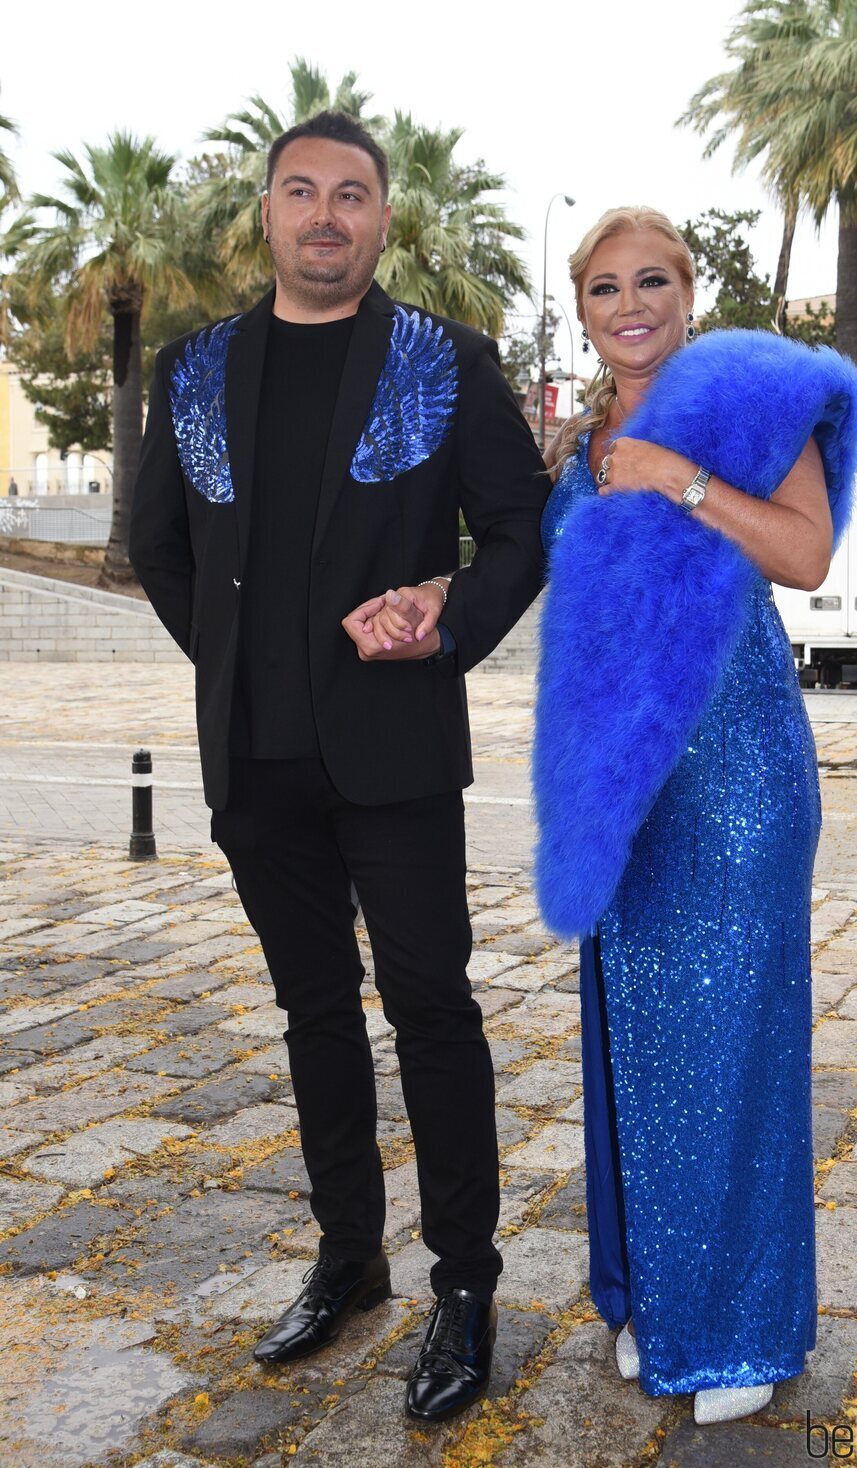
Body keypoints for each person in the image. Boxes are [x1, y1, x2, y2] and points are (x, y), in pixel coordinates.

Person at [129, 110, 547, 1423]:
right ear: (267, 213)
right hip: (255, 762)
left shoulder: (447, 358)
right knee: (314, 1013)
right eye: (300, 191)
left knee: (432, 1008)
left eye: (351, 195)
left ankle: (464, 1288)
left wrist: (446, 617)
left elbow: (521, 536)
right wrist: (239, 659)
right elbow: (158, 545)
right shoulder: (197, 368)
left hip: (397, 749)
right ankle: (351, 1261)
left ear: (382, 218)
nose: (325, 215)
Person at [531, 208, 857, 1424]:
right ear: (579, 307)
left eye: (653, 281)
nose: (631, 304)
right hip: (624, 794)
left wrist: (679, 480)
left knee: (727, 1050)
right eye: (605, 286)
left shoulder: (746, 402)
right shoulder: (576, 439)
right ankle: (655, 1302)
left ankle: (739, 1332)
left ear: (688, 289)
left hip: (734, 780)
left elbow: (806, 551)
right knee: (637, 1051)